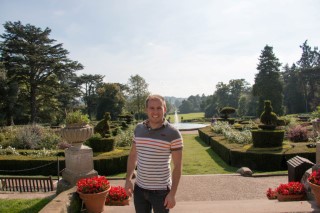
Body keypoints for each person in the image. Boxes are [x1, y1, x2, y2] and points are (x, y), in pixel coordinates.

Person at [125, 94, 183, 213]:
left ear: (164, 109)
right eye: (152, 108)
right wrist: (128, 179)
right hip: (140, 190)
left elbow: (178, 166)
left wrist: (172, 194)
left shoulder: (173, 133)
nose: (155, 111)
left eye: (159, 108)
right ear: (146, 110)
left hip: (161, 192)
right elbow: (133, 155)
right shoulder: (139, 129)